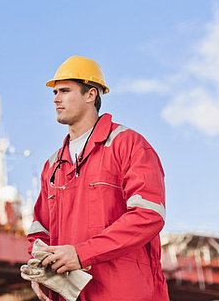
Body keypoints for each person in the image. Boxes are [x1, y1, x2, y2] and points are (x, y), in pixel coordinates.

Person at [27, 56, 169, 301]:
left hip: (125, 292)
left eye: (65, 91)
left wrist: (81, 254)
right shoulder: (52, 166)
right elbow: (40, 230)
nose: (56, 99)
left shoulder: (128, 145)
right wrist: (39, 266)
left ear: (90, 94)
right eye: (55, 92)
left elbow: (148, 215)